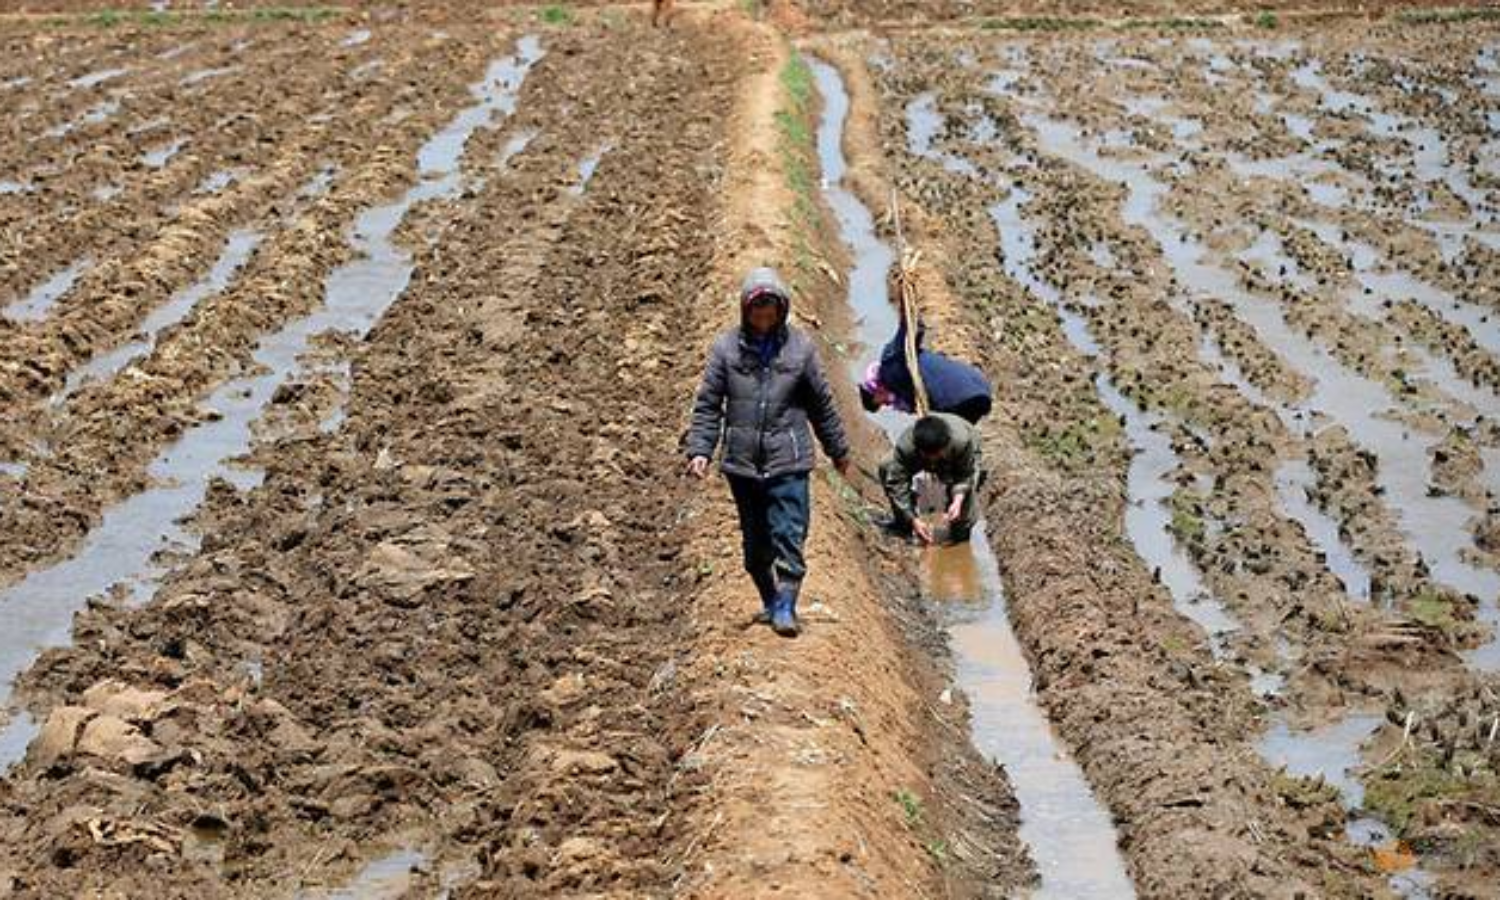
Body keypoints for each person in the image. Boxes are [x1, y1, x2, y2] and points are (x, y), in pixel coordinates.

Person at [686, 267, 851, 637]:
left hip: (788, 459)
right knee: (755, 544)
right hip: (742, 464)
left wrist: (838, 449)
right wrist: (700, 450)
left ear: (781, 311)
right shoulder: (726, 349)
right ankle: (770, 599)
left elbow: (822, 405)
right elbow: (709, 405)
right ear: (745, 311)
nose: (763, 319)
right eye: (757, 312)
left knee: (789, 533)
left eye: (770, 312)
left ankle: (787, 606)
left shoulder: (800, 349)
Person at [859, 277, 992, 424]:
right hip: (979, 390)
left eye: (880, 403)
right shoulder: (899, 386)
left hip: (958, 398)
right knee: (959, 433)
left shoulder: (890, 367)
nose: (886, 404)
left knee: (947, 432)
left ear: (875, 391)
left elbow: (912, 331)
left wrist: (906, 302)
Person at [879, 412, 983, 545]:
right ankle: (903, 525)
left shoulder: (962, 442)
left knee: (962, 519)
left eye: (937, 454)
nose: (933, 459)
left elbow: (965, 475)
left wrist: (957, 501)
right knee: (886, 466)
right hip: (922, 454)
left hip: (959, 455)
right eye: (929, 455)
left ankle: (961, 535)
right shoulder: (906, 447)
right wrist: (912, 519)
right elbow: (897, 483)